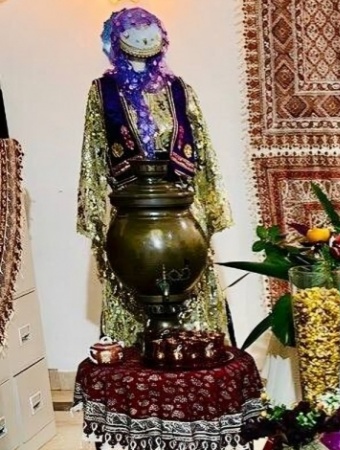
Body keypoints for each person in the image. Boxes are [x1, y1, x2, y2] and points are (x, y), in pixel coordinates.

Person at [76, 8, 233, 345]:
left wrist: (211, 205)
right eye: (134, 32)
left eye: (149, 31)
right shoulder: (103, 91)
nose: (143, 38)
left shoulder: (179, 89)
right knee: (131, 278)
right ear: (117, 40)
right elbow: (93, 153)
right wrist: (94, 213)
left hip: (180, 206)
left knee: (190, 276)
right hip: (131, 211)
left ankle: (195, 351)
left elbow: (203, 149)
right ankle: (137, 354)